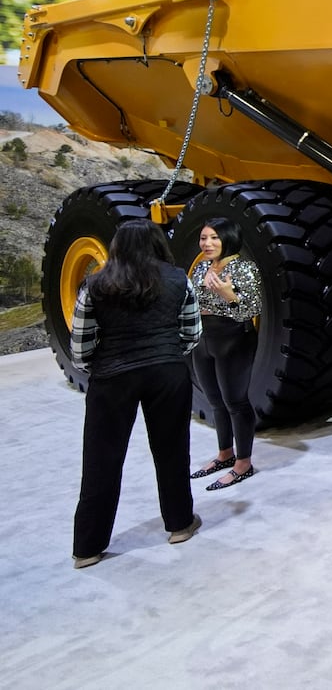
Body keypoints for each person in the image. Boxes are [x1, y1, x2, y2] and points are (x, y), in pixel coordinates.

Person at [70, 219, 203, 568]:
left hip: (112, 377)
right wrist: (167, 354)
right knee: (172, 451)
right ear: (157, 244)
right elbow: (191, 333)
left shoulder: (95, 283)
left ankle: (87, 548)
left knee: (101, 461)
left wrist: (100, 368)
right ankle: (179, 525)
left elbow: (80, 348)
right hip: (167, 373)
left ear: (117, 247)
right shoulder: (178, 278)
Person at [186, 217, 263, 490]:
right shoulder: (202, 268)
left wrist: (230, 296)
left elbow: (252, 311)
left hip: (233, 339)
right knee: (214, 400)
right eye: (204, 238)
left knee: (236, 401)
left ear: (228, 238)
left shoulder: (244, 268)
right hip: (204, 339)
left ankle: (243, 463)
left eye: (213, 238)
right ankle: (224, 454)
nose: (207, 243)